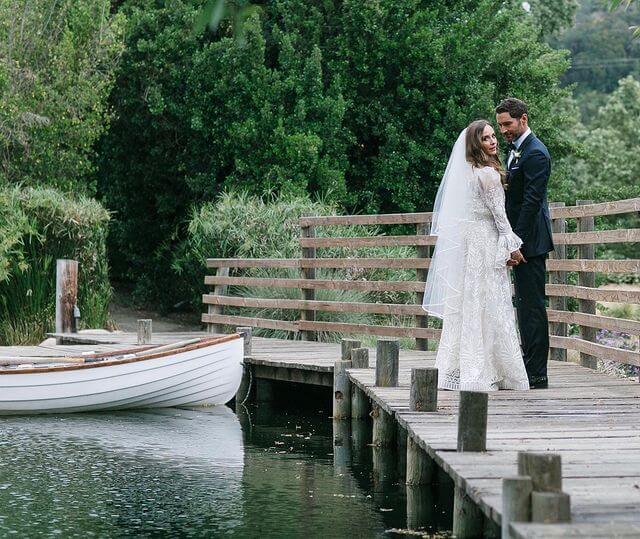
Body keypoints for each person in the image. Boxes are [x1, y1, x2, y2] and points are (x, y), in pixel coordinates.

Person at [422, 120, 529, 391]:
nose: (493, 141)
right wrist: (512, 246)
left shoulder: (466, 173)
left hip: (468, 244)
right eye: (486, 138)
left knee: (468, 302)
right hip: (484, 241)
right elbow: (499, 216)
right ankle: (490, 370)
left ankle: (457, 367)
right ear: (475, 144)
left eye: (494, 136)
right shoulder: (489, 175)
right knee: (491, 302)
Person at [496, 98, 554, 389]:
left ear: (523, 119)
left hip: (530, 243)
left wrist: (514, 241)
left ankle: (537, 374)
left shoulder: (536, 153)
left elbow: (532, 201)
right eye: (501, 126)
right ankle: (527, 366)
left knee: (532, 308)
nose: (504, 130)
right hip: (521, 241)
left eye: (508, 124)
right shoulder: (517, 151)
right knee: (524, 306)